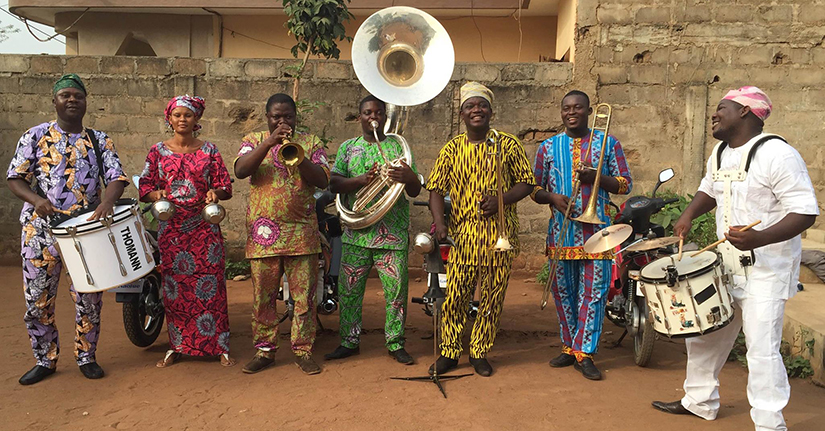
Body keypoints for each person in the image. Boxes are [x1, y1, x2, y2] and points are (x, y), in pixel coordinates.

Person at [652, 86, 818, 431]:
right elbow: (710, 189)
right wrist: (688, 214)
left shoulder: (778, 154)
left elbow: (805, 212)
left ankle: (770, 423)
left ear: (745, 111)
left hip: (766, 270)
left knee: (761, 350)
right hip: (725, 265)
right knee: (706, 335)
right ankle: (699, 402)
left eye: (722, 108)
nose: (715, 114)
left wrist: (760, 237)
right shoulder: (720, 153)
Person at [6, 74, 128, 385]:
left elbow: (116, 177)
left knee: (88, 296)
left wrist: (107, 202)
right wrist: (36, 200)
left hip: (85, 233)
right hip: (39, 233)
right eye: (65, 96)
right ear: (55, 101)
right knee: (38, 299)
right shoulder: (33, 137)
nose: (72, 100)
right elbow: (15, 178)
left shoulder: (100, 141)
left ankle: (86, 355)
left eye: (78, 95)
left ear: (86, 102)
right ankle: (45, 359)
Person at [426, 82, 535, 377]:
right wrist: (440, 223)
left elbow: (526, 182)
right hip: (463, 238)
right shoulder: (452, 148)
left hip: (500, 237)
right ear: (462, 114)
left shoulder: (508, 144)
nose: (477, 110)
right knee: (456, 297)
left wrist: (501, 200)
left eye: (482, 105)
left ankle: (479, 351)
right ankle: (449, 351)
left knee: (491, 298)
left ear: (491, 111)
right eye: (470, 106)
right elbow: (435, 189)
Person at [532, 90, 633, 381]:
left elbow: (625, 184)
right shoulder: (547, 147)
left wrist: (596, 178)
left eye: (578, 107)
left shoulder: (608, 143)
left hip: (599, 234)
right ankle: (569, 346)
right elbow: (534, 189)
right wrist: (552, 197)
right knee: (564, 294)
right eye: (566, 108)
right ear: (561, 112)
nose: (571, 112)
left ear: (589, 111)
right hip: (561, 235)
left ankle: (585, 352)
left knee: (594, 294)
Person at [234, 93, 330, 375]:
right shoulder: (253, 141)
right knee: (263, 297)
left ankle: (303, 350)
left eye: (288, 116)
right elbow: (240, 171)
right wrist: (268, 143)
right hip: (263, 236)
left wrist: (298, 156)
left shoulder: (311, 143)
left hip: (302, 233)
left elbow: (323, 180)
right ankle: (265, 350)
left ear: (295, 117)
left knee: (304, 298)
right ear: (267, 118)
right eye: (277, 116)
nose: (282, 121)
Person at [139, 95, 235, 368]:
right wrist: (156, 192)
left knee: (212, 287)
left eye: (188, 115)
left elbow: (225, 186)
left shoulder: (210, 151)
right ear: (169, 119)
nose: (183, 120)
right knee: (175, 289)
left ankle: (219, 345)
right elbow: (144, 187)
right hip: (172, 229)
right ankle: (177, 344)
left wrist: (214, 193)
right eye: (177, 115)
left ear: (197, 120)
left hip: (205, 228)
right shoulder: (157, 151)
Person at [324, 95, 421, 365]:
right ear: (360, 117)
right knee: (349, 291)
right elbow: (333, 184)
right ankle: (349, 341)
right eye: (368, 113)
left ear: (385, 116)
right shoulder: (348, 148)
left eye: (378, 112)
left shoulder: (398, 147)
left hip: (393, 235)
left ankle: (395, 343)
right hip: (356, 233)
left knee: (396, 292)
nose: (373, 117)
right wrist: (361, 180)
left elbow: (413, 190)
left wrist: (409, 177)